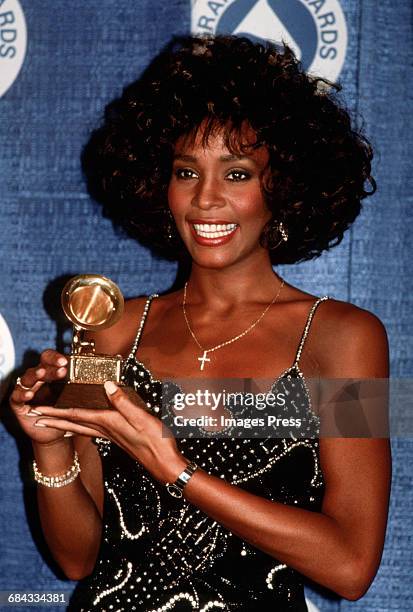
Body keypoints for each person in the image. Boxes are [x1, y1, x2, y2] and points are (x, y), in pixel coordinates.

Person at [10, 35, 391, 611]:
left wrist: (178, 471)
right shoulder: (111, 330)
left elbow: (351, 567)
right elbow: (77, 559)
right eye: (187, 173)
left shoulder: (345, 338)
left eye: (236, 174)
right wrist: (50, 446)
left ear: (281, 185)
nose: (205, 200)